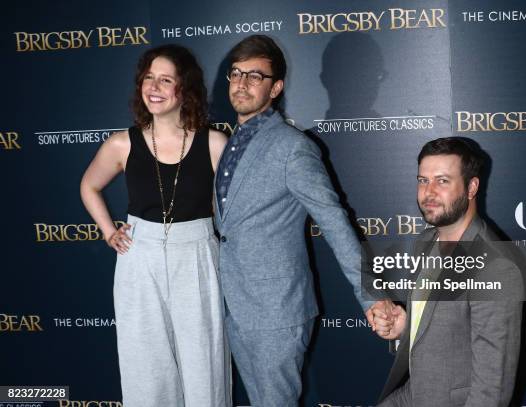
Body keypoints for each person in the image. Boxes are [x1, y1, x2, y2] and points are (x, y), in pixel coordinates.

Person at [214, 34, 373, 406]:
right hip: (233, 304)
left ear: (276, 88)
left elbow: (334, 222)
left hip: (275, 311)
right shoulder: (228, 143)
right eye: (236, 74)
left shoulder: (293, 147)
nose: (242, 83)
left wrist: (370, 296)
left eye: (255, 76)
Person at [80, 44, 231, 407]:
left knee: (205, 367)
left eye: (166, 79)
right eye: (149, 78)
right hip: (139, 258)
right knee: (144, 368)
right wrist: (107, 231)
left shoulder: (214, 143)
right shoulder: (122, 144)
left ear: (185, 89)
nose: (154, 87)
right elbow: (89, 185)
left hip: (196, 255)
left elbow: (228, 209)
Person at [369, 137, 523, 407]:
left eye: (442, 181)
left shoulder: (495, 267)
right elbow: (443, 332)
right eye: (422, 180)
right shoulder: (425, 242)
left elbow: (492, 392)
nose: (428, 192)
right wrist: (405, 327)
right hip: (414, 395)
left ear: (471, 187)